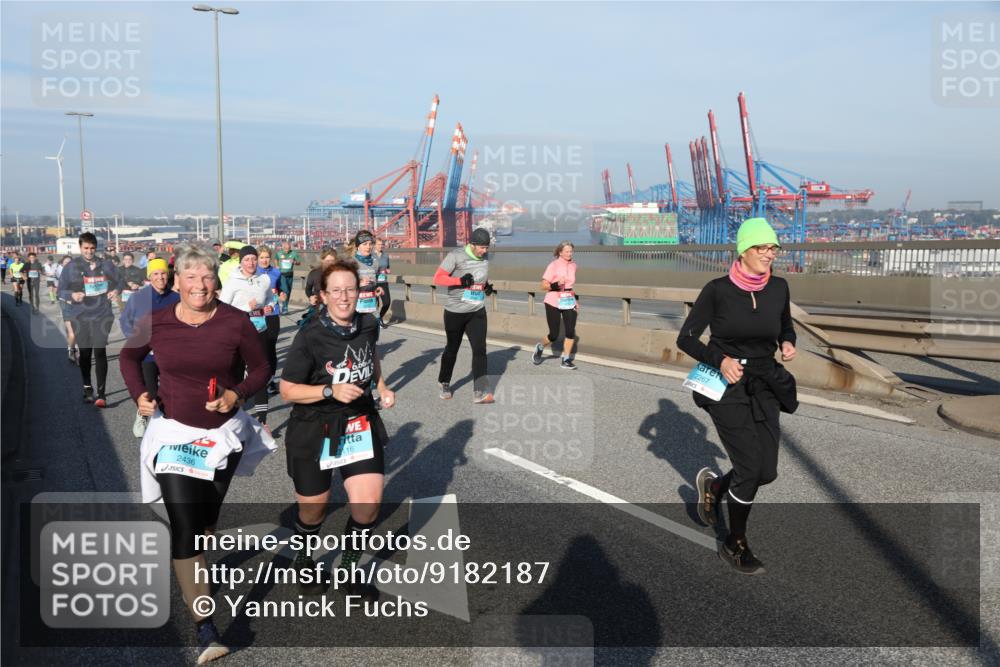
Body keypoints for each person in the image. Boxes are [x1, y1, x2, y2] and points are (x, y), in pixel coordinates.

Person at [119, 242, 275, 664]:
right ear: (177, 281)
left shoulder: (235, 322)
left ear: (216, 282)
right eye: (191, 277)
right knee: (185, 524)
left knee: (205, 519)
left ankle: (197, 563)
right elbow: (129, 358)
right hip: (172, 434)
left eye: (207, 277)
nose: (200, 285)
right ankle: (206, 627)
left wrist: (236, 394)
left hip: (222, 435)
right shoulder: (156, 321)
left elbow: (262, 368)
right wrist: (140, 396)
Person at [678, 217, 798, 576]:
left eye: (773, 248)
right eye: (762, 248)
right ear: (743, 251)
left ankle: (714, 487)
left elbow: (785, 325)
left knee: (767, 472)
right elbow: (686, 338)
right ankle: (735, 543)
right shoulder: (717, 290)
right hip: (725, 383)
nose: (769, 254)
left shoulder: (779, 288)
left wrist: (788, 342)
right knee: (749, 468)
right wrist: (722, 359)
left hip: (764, 381)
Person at [280, 257, 396, 599]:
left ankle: (347, 567)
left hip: (358, 422)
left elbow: (370, 353)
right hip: (315, 427)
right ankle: (304, 559)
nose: (344, 297)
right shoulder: (309, 336)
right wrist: (329, 390)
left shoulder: (369, 323)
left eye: (350, 289)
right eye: (337, 291)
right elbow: (287, 391)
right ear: (324, 295)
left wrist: (382, 385)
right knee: (313, 509)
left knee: (368, 505)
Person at [432, 227, 495, 403]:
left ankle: (480, 391)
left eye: (487, 248)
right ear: (472, 244)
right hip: (455, 311)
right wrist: (459, 281)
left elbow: (479, 277)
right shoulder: (456, 256)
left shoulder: (485, 257)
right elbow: (438, 278)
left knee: (480, 349)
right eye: (482, 247)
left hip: (477, 310)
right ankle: (444, 381)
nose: (484, 251)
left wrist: (486, 286)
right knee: (452, 348)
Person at [57, 232, 121, 406]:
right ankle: (87, 388)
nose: (89, 251)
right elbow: (60, 291)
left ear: (96, 248)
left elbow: (120, 281)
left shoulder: (106, 265)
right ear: (80, 247)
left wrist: (116, 290)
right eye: (86, 248)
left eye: (92, 248)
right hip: (80, 315)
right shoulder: (71, 267)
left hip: (102, 314)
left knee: (100, 350)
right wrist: (72, 295)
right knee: (85, 353)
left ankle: (101, 394)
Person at [119, 258, 180, 437]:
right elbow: (125, 321)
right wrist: (138, 343)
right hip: (147, 356)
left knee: (172, 392)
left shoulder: (176, 298)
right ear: (149, 277)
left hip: (170, 355)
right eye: (156, 274)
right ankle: (142, 414)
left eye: (163, 273)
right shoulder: (138, 298)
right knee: (150, 393)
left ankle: (168, 426)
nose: (160, 277)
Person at [219, 246, 278, 427]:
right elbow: (222, 309)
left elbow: (269, 298)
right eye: (247, 260)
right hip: (238, 332)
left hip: (259, 329)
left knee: (259, 372)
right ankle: (235, 415)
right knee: (237, 374)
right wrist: (246, 308)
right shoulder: (233, 282)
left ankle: (262, 421)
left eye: (253, 259)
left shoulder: (264, 279)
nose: (251, 263)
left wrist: (267, 306)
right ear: (241, 262)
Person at [532, 241, 579, 369]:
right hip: (553, 300)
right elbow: (543, 286)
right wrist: (556, 284)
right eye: (567, 251)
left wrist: (575, 301)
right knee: (554, 334)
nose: (570, 254)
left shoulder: (574, 265)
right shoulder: (553, 265)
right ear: (560, 252)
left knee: (570, 331)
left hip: (569, 300)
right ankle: (540, 347)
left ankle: (566, 359)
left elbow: (570, 286)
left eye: (571, 251)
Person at [255, 246, 284, 395]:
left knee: (271, 348)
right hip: (257, 315)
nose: (265, 260)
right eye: (262, 257)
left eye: (267, 257)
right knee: (260, 349)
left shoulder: (276, 272)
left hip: (273, 314)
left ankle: (270, 380)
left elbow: (280, 289)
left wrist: (282, 294)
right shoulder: (253, 273)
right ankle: (258, 379)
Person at [343, 231, 381, 319]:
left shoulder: (375, 261)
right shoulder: (350, 262)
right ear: (358, 246)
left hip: (372, 308)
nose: (368, 247)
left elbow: (376, 280)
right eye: (364, 244)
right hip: (355, 309)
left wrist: (377, 287)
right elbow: (343, 285)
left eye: (370, 244)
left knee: (373, 331)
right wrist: (359, 284)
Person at [299, 246, 337, 328]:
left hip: (335, 307)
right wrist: (311, 297)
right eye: (327, 261)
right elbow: (308, 289)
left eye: (332, 261)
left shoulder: (340, 273)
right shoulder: (315, 273)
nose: (330, 263)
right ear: (322, 260)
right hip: (319, 306)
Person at [56, 255, 78, 363]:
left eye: (70, 262)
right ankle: (71, 350)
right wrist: (68, 297)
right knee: (72, 332)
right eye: (66, 262)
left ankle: (73, 346)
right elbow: (59, 292)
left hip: (79, 305)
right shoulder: (62, 276)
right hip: (66, 304)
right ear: (62, 264)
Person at [274, 240, 301, 315]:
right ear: (282, 247)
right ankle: (284, 307)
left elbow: (299, 262)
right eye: (285, 248)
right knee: (286, 291)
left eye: (288, 248)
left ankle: (285, 306)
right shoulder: (279, 253)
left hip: (290, 274)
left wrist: (294, 262)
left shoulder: (294, 253)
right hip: (282, 274)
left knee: (289, 291)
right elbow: (275, 258)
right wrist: (276, 265)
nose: (287, 250)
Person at [374, 237, 392, 327]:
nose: (381, 246)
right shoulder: (371, 255)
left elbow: (388, 267)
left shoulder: (385, 255)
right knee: (375, 304)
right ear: (374, 245)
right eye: (379, 244)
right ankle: (377, 321)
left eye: (382, 244)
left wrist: (388, 270)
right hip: (374, 282)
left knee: (387, 302)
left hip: (383, 282)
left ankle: (380, 317)